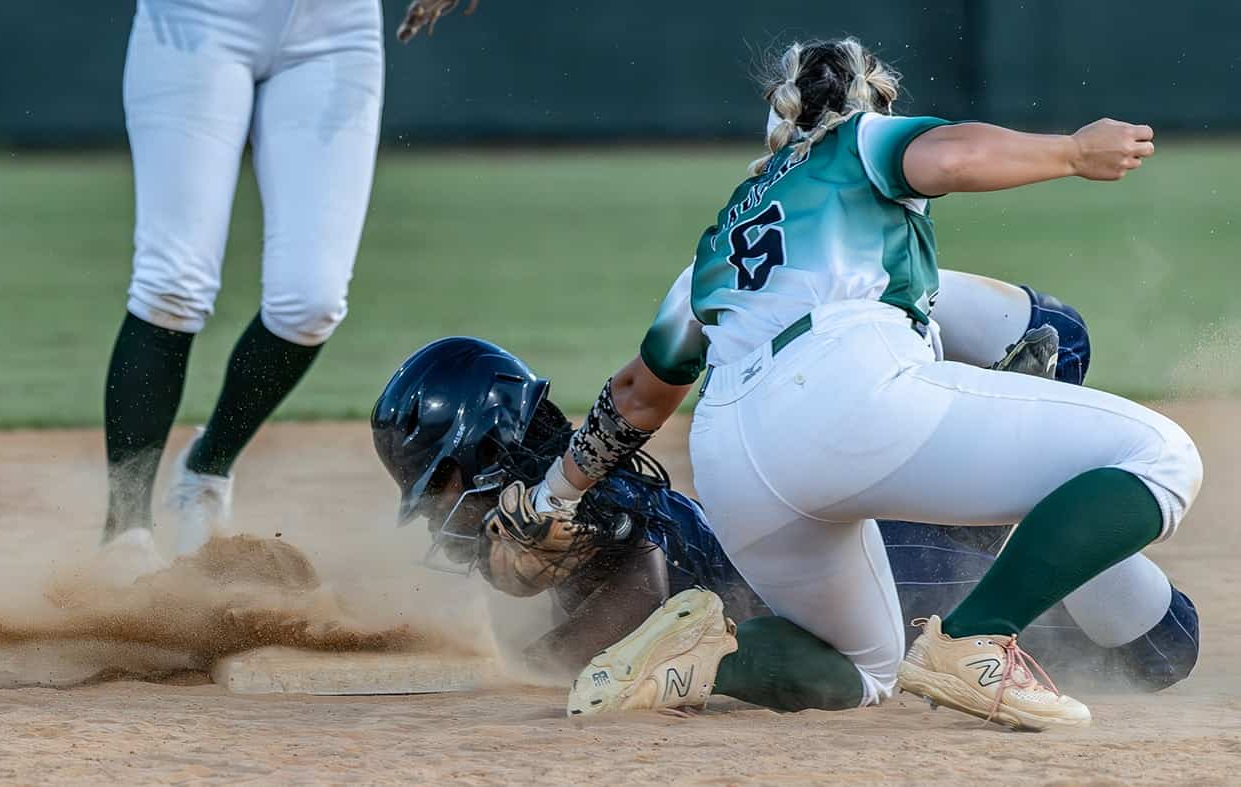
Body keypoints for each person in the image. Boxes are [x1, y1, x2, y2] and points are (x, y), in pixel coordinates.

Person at [476, 39, 1201, 730]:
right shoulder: (857, 142)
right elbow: (948, 156)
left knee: (863, 668)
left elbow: (639, 395)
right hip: (845, 390)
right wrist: (1071, 152)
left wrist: (552, 495)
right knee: (1163, 455)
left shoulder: (717, 246)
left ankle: (704, 657)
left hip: (733, 455)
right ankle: (976, 640)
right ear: (870, 102)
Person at [371, 328, 1199, 699]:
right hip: (828, 569)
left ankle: (1016, 469)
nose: (447, 514)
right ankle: (998, 482)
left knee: (1163, 650)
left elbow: (636, 587)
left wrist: (544, 651)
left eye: (447, 485)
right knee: (1147, 647)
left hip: (861, 580)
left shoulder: (600, 510)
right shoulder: (567, 507)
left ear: (496, 451)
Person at [100, 0, 482, 572]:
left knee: (312, 301)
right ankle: (125, 530)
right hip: (197, 21)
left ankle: (206, 469)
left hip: (335, 30)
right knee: (171, 284)